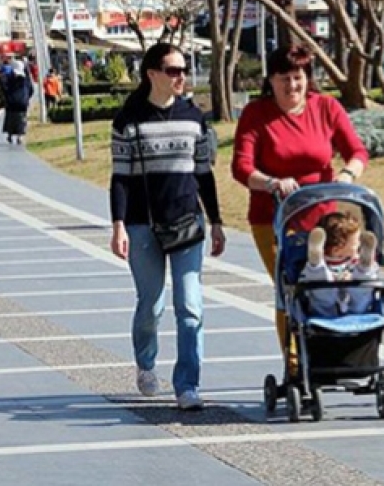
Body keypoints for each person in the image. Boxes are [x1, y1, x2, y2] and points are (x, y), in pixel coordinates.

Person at [230, 44, 368, 375]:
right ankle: (295, 364)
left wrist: (347, 173)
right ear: (271, 80)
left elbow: (357, 151)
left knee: (327, 284)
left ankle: (330, 352)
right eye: (284, 79)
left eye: (298, 77)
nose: (292, 86)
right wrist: (272, 182)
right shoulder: (256, 114)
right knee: (290, 287)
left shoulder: (326, 108)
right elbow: (241, 167)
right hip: (275, 217)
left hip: (323, 219)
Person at [109, 42, 226, 411]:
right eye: (173, 70)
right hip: (143, 225)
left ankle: (187, 385)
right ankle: (145, 364)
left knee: (190, 305)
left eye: (183, 70)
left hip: (187, 223)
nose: (181, 77)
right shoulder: (129, 119)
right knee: (152, 305)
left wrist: (217, 221)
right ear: (152, 75)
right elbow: (120, 179)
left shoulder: (194, 117)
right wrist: (118, 226)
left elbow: (204, 174)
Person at [301, 212, 378, 283]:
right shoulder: (353, 260)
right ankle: (364, 268)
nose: (359, 244)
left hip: (329, 293)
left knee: (316, 275)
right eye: (356, 242)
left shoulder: (354, 259)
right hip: (347, 292)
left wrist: (350, 278)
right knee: (362, 280)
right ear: (336, 250)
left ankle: (315, 266)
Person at [1, 60, 33, 144]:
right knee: (21, 120)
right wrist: (26, 97)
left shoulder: (9, 78)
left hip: (11, 103)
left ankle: (10, 135)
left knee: (10, 119)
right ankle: (20, 136)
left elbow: (4, 88)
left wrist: (7, 97)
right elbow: (31, 89)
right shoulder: (26, 79)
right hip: (22, 103)